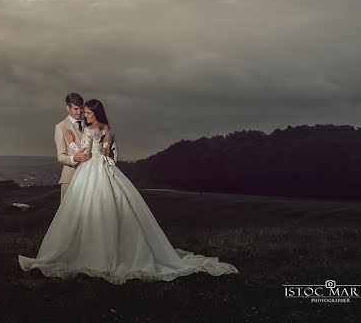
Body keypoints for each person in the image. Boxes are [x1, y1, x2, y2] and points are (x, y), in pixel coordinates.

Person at [19, 98, 239, 284]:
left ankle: (92, 253)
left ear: (95, 112)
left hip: (89, 169)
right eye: (84, 113)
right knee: (111, 204)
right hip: (104, 169)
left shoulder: (88, 130)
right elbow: (106, 154)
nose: (85, 116)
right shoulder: (107, 130)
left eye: (87, 112)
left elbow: (85, 153)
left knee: (86, 208)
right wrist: (101, 146)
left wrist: (71, 143)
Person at [54, 93, 111, 202]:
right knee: (68, 215)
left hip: (91, 178)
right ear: (67, 108)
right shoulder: (60, 127)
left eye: (81, 108)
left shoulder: (90, 122)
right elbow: (60, 156)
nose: (80, 112)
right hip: (70, 178)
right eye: (75, 109)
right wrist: (74, 158)